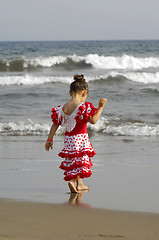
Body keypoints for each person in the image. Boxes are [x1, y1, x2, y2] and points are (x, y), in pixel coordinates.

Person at [45, 74, 107, 193]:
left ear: (70, 92)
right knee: (82, 161)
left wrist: (49, 139)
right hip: (81, 138)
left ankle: (80, 184)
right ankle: (72, 181)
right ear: (84, 93)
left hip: (69, 139)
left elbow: (55, 124)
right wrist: (100, 108)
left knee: (75, 161)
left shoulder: (63, 108)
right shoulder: (83, 106)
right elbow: (93, 121)